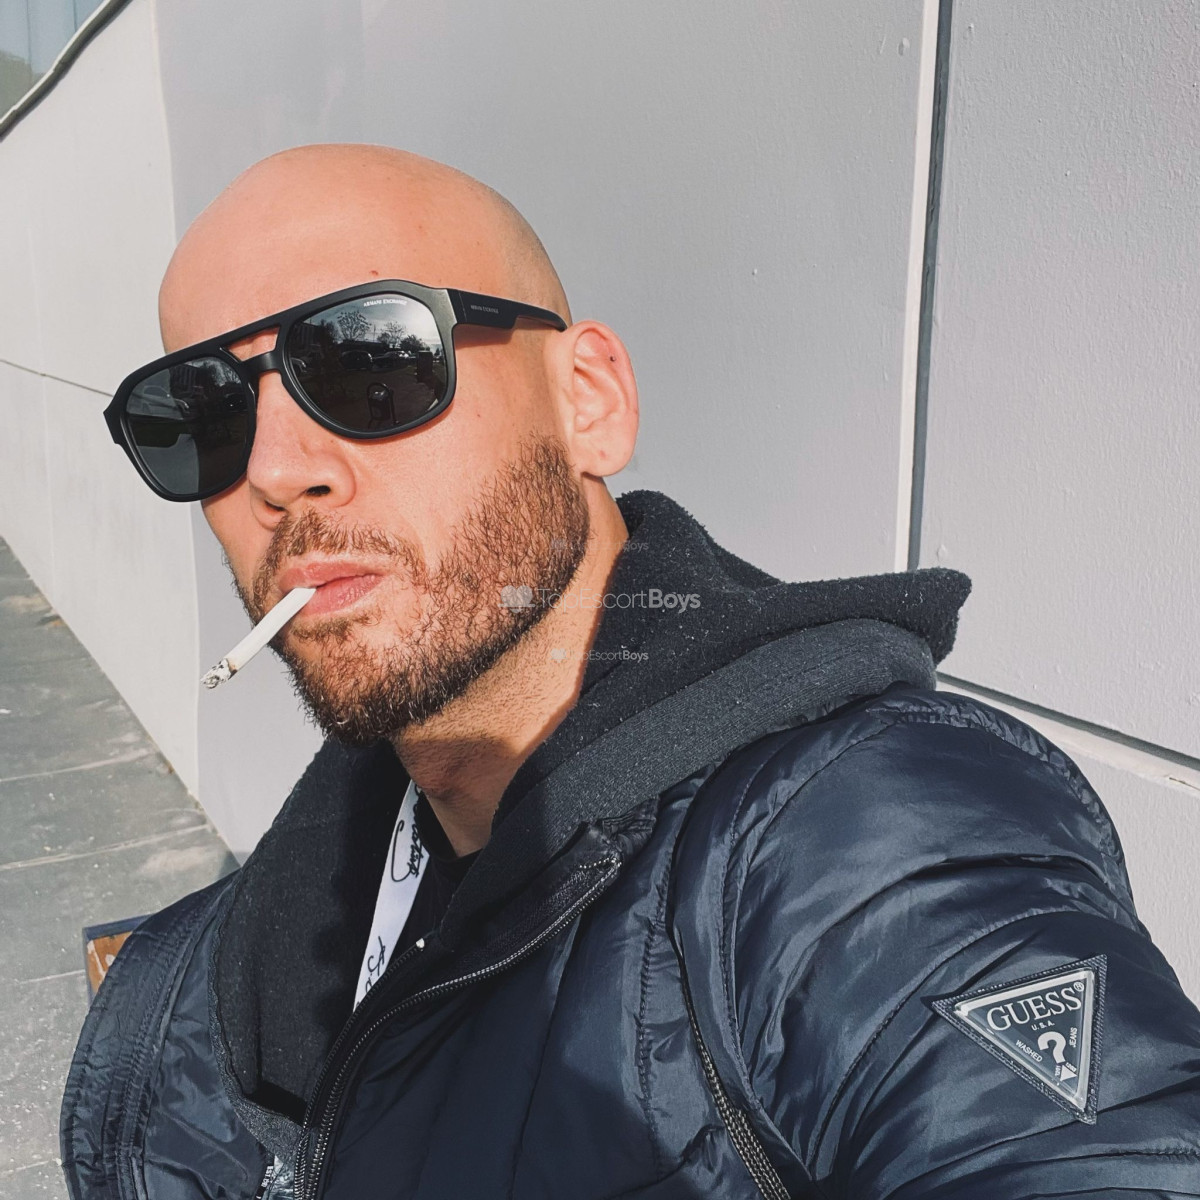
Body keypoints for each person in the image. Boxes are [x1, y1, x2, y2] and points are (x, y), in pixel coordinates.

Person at [62, 144, 1200, 1200]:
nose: (274, 472)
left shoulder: (869, 836)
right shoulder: (257, 940)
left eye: (368, 364)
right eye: (199, 416)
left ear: (588, 402)